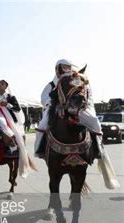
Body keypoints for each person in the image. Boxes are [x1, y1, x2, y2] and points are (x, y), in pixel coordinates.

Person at [35, 59, 119, 189]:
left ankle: (98, 150)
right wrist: (53, 105)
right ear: (57, 69)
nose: (66, 69)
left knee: (95, 123)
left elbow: (87, 94)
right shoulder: (52, 84)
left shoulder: (78, 79)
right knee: (42, 124)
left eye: (68, 67)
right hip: (57, 109)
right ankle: (39, 149)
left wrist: (81, 105)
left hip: (80, 108)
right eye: (63, 67)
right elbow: (44, 97)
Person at [0, 80, 34, 178]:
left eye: (1, 84)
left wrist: (7, 104)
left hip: (8, 117)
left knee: (4, 124)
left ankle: (11, 145)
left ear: (6, 86)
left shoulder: (10, 97)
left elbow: (17, 108)